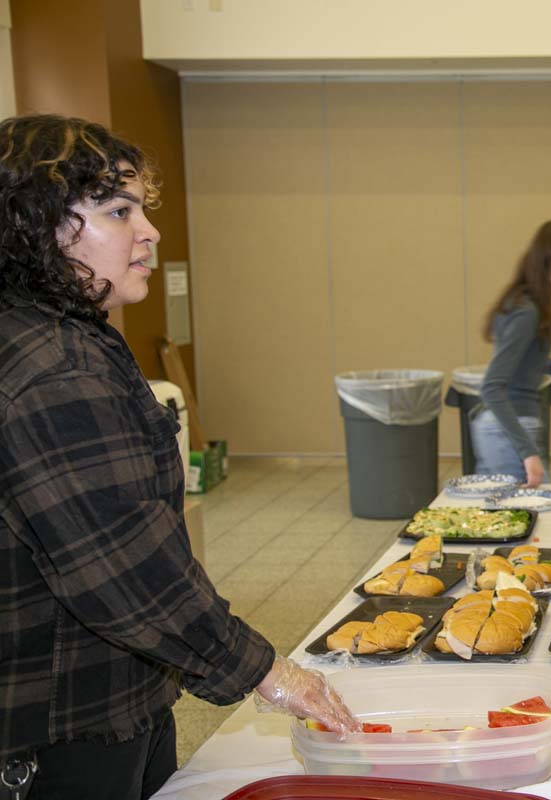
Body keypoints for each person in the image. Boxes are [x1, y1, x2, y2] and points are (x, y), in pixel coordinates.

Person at [0, 115, 358, 799]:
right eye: (117, 210)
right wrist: (269, 673)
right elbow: (124, 567)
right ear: (39, 223)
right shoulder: (54, 368)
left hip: (102, 705)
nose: (150, 231)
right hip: (64, 734)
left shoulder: (57, 335)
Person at [475, 219, 551, 487]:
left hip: (505, 428)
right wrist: (528, 453)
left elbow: (531, 361)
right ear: (542, 260)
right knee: (535, 520)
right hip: (507, 431)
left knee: (515, 523)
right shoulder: (527, 311)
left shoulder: (527, 302)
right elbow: (491, 387)